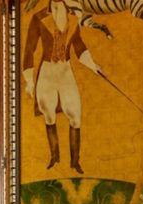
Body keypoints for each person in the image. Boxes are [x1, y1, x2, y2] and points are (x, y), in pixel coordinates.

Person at [22, 0, 101, 174]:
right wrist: (29, 80)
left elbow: (78, 45)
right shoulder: (39, 17)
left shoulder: (73, 16)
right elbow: (29, 49)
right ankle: (55, 157)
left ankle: (75, 162)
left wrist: (93, 65)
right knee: (49, 115)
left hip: (65, 70)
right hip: (47, 72)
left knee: (75, 115)